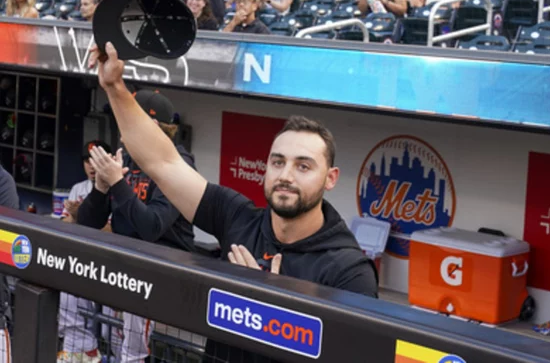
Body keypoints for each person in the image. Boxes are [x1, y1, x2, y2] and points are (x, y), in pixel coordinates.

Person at [86, 43, 378, 362]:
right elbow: (163, 162)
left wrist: (274, 310)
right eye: (278, 162)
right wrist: (114, 87)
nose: (286, 175)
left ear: (331, 178)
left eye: (304, 166)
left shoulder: (349, 270)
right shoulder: (238, 218)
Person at [79, 89, 196, 362]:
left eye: (128, 123)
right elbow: (87, 223)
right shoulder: (129, 158)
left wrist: (118, 185)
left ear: (151, 126)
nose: (121, 133)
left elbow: (151, 227)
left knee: (132, 352)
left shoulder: (179, 165)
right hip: (126, 268)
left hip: (162, 274)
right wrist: (100, 187)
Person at [57, 142, 112, 363]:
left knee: (111, 329)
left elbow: (110, 229)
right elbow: (64, 222)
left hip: (108, 262)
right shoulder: (78, 188)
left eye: (95, 160)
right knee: (72, 305)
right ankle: (83, 353)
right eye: (87, 161)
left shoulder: (114, 189)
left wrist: (81, 217)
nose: (91, 166)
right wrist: (75, 217)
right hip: (81, 260)